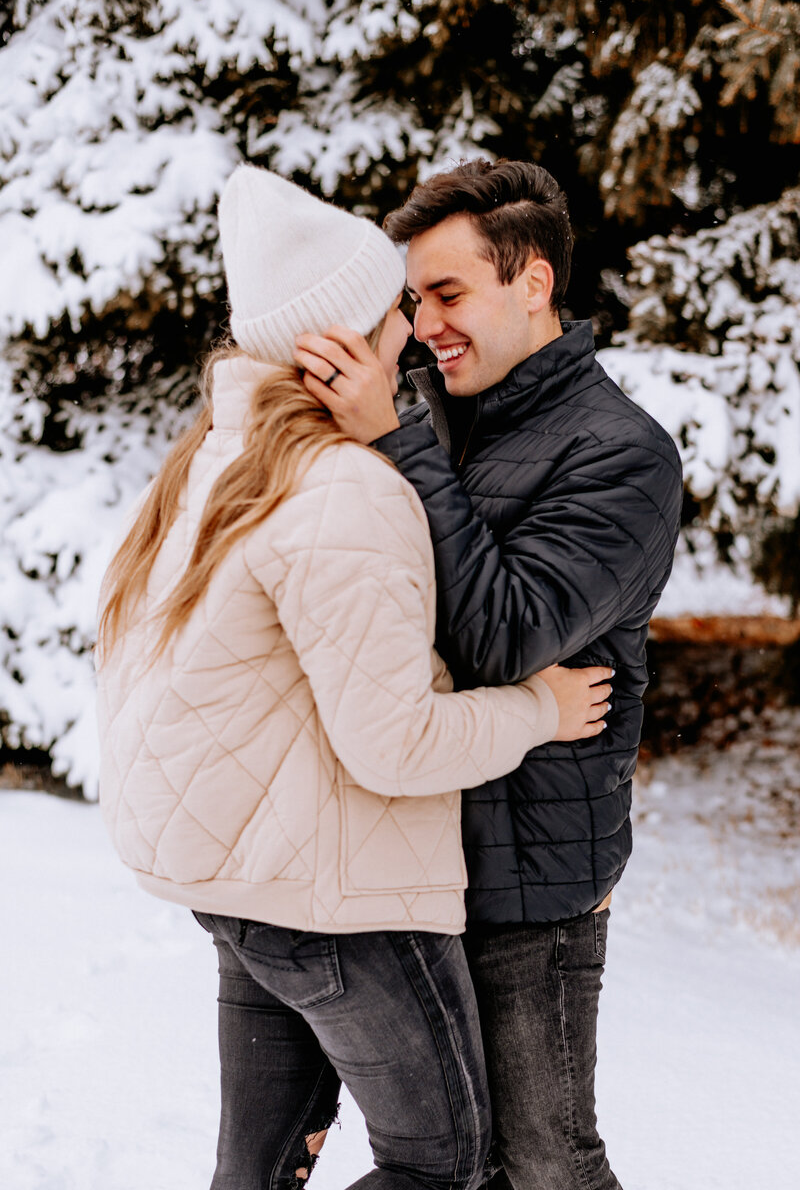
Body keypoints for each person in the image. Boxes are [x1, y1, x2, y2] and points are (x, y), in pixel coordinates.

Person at [94, 163, 615, 1190]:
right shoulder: (343, 488)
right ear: (334, 339)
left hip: (234, 884)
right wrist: (534, 709)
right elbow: (395, 742)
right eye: (394, 309)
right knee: (444, 1165)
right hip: (338, 900)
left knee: (257, 1168)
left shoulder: (216, 456)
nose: (413, 333)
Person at [297, 158, 683, 1190]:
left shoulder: (622, 455)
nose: (425, 324)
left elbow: (506, 633)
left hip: (531, 890)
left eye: (450, 293)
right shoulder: (432, 420)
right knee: (437, 1164)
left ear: (533, 283)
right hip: (408, 859)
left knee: (544, 1161)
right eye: (413, 300)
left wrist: (393, 441)